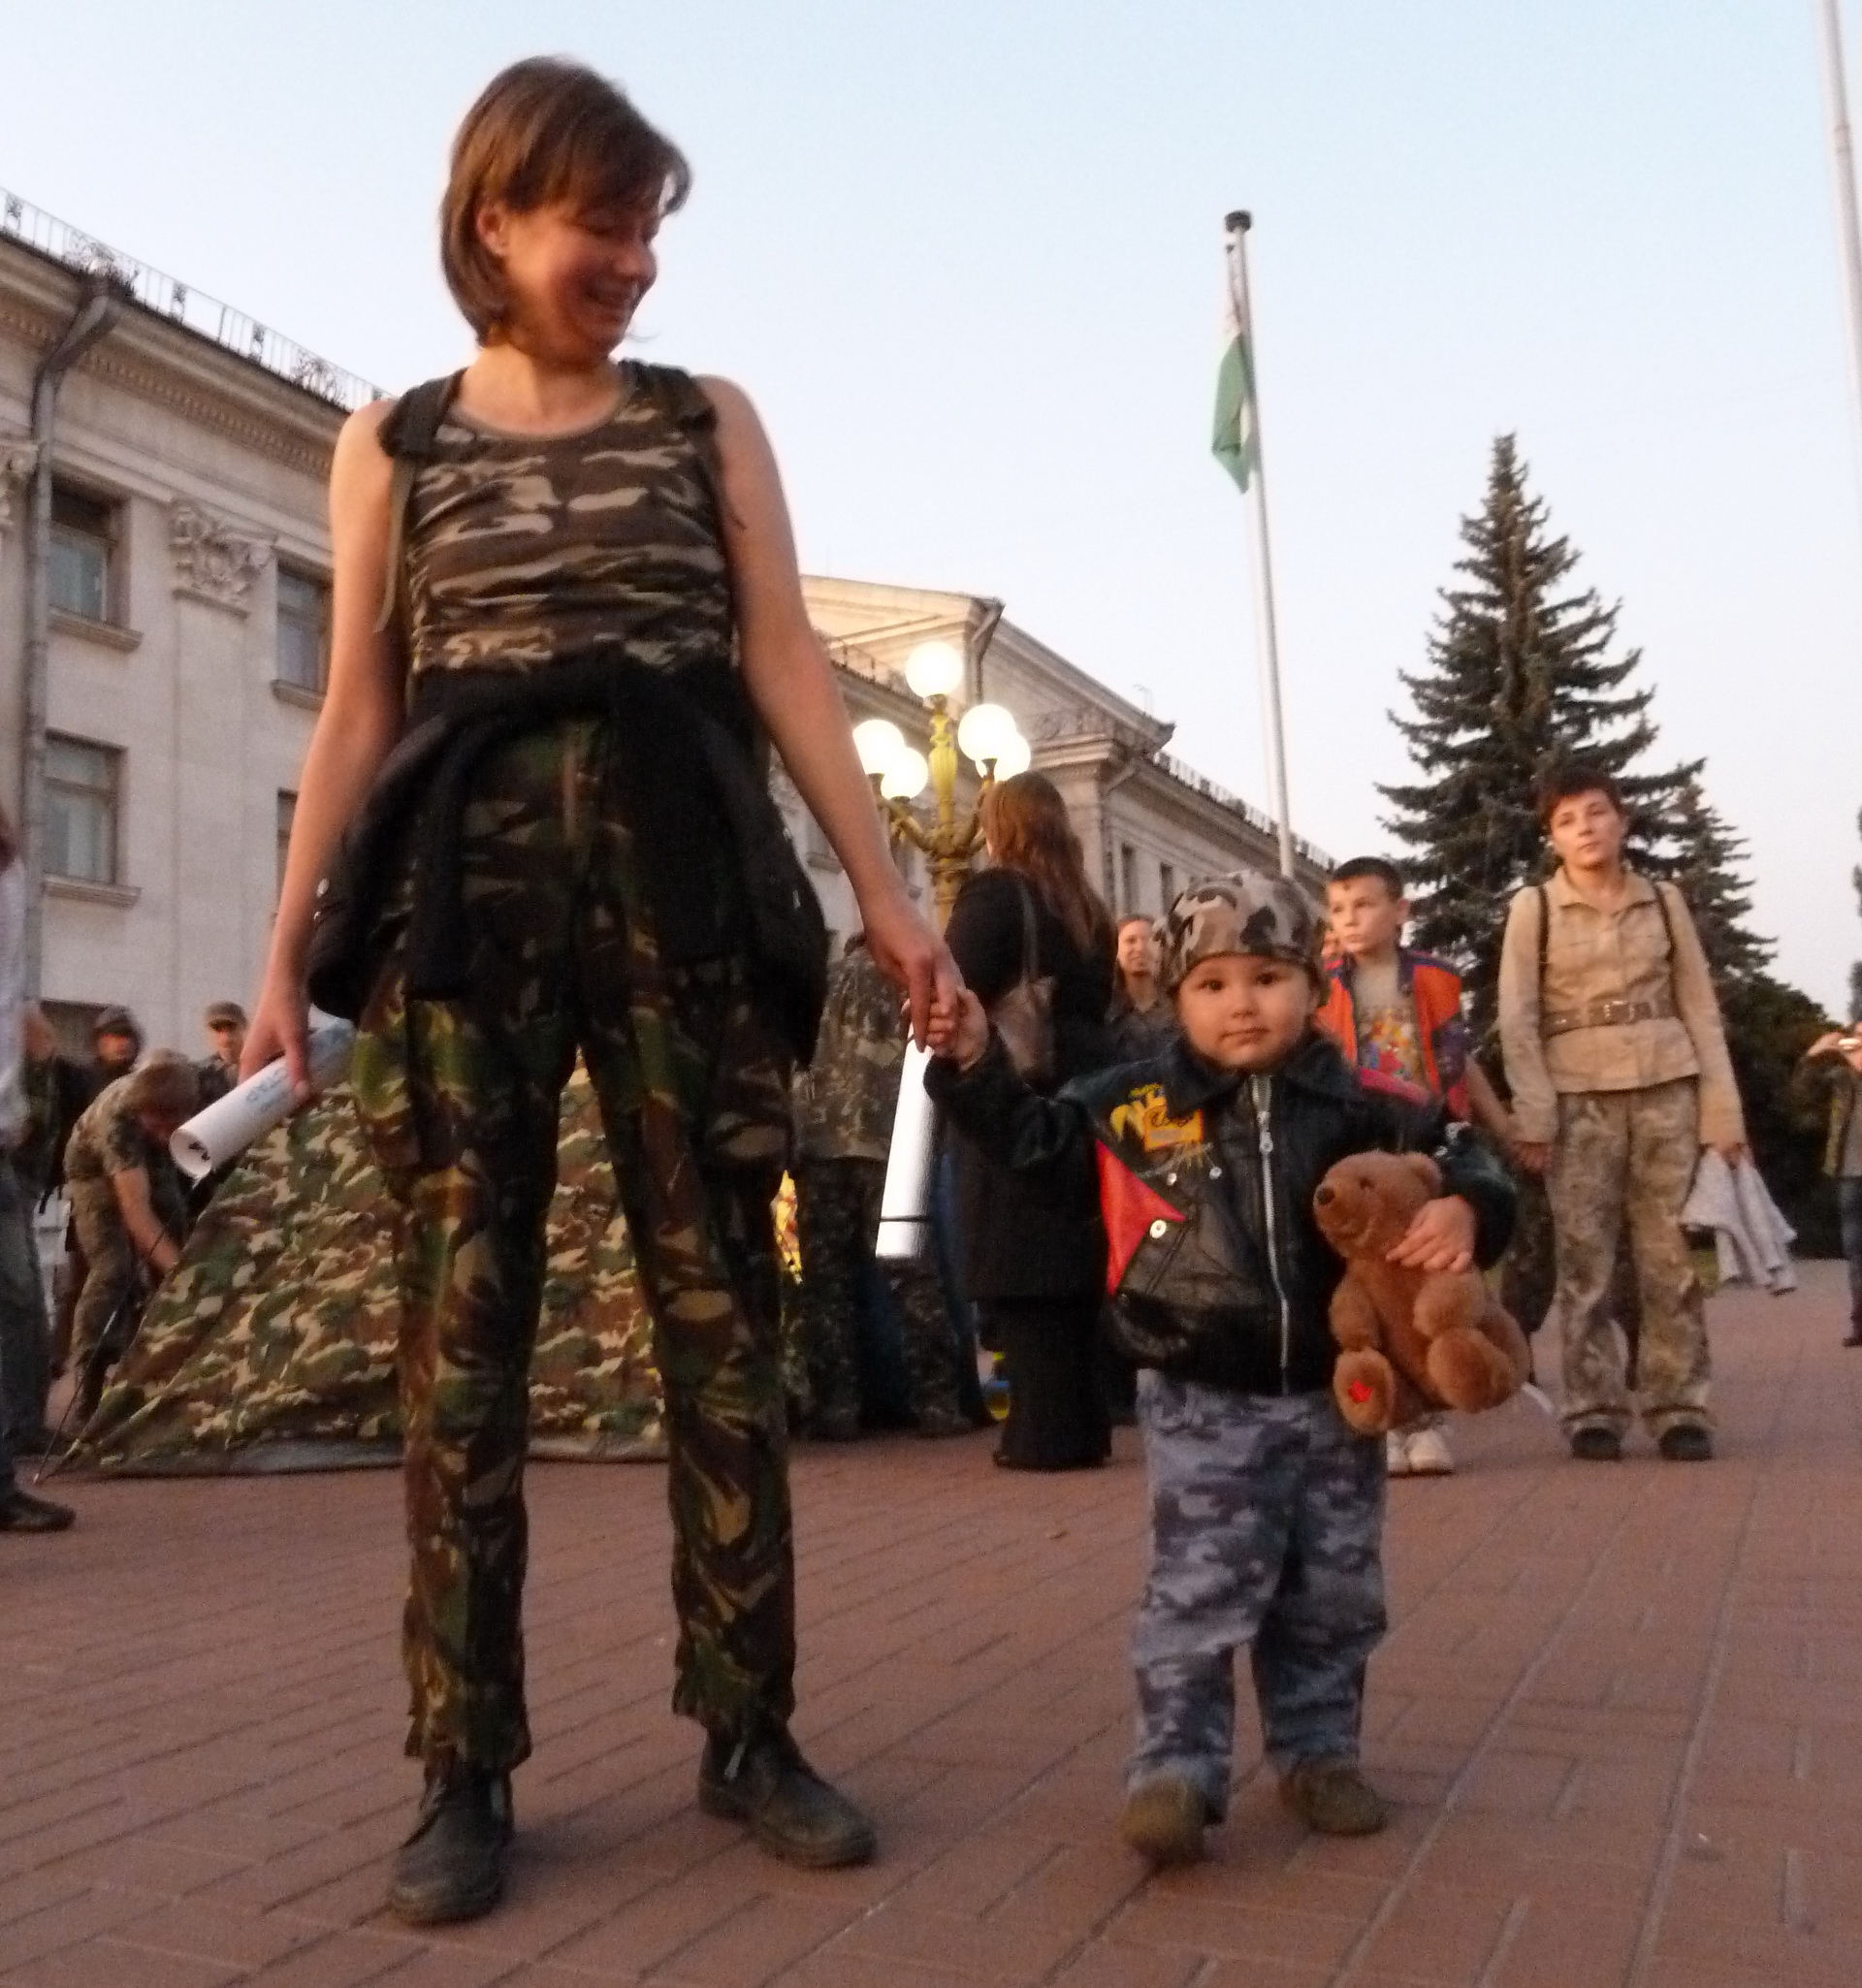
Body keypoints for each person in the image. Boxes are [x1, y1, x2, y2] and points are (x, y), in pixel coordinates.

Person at [239, 59, 956, 1927]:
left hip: (684, 891)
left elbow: (783, 659)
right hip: (461, 916)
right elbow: (360, 704)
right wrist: (283, 955)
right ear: (496, 220)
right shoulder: (392, 442)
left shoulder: (705, 420)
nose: (633, 261)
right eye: (601, 224)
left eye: (650, 230)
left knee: (722, 1316)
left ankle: (750, 1729)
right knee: (459, 1338)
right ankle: (461, 1765)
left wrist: (888, 902)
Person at [923, 870, 1513, 1865]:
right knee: (1198, 1593)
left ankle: (1319, 1754)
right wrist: (975, 1057)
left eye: (1267, 978)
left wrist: (1468, 1207)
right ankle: (1176, 1770)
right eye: (1212, 984)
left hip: (1333, 1400)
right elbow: (1033, 1144)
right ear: (1177, 994)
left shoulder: (1366, 1101)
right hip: (1199, 1396)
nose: (1242, 1003)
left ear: (1312, 983)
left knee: (1331, 1594)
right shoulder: (1133, 1104)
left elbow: (1463, 1154)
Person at [1497, 763, 1746, 1463]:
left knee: (1672, 1260)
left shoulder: (1663, 901)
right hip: (1578, 1099)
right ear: (1552, 838)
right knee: (1586, 1263)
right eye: (1567, 820)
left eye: (1597, 812)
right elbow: (1517, 1018)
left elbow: (1700, 1007)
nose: (1585, 829)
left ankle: (1679, 1406)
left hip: (1667, 1088)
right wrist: (1535, 1114)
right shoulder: (1535, 908)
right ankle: (1594, 1409)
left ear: (1622, 820)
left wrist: (1723, 1114)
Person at [1318, 856, 1517, 1479]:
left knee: (1423, 1271)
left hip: (1424, 1139)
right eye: (1339, 909)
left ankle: (1428, 1414)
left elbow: (1459, 1062)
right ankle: (1389, 1413)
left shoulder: (1432, 980)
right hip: (1356, 1141)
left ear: (1400, 911)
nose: (1350, 919)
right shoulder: (1323, 985)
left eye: (1364, 905)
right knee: (1367, 1281)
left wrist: (1498, 1125)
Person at [944, 772, 1116, 1471]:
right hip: (1084, 1091)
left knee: (1018, 1256)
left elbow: (955, 985)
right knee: (1072, 1259)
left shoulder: (996, 895)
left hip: (1015, 1091)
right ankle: (1085, 1424)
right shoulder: (1089, 909)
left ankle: (1041, 1434)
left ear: (1000, 826)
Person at [790, 936, 969, 1438]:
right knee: (913, 1278)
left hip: (821, 1144)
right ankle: (938, 1404)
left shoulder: (821, 982)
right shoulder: (910, 983)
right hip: (894, 1143)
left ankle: (837, 1409)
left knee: (828, 1285)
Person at [0, 805, 72, 1530]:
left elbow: (11, 1005)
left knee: (19, 1300)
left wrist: (16, 1103)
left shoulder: (11, 877)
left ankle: (11, 1452)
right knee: (15, 1297)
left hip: (5, 1136)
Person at [62, 1050, 198, 1423]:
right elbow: (137, 1214)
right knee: (114, 1267)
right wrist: (180, 1271)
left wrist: (176, 1262)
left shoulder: (188, 1090)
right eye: (155, 1126)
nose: (162, 1134)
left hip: (150, 1158)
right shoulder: (118, 1122)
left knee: (176, 1224)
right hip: (92, 1172)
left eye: (167, 1127)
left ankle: (160, 1355)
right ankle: (90, 1376)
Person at [47, 1003, 144, 1382]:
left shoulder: (139, 1084)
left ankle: (114, 1357)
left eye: (127, 1036)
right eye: (113, 1036)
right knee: (81, 1277)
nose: (121, 1044)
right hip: (90, 1192)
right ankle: (63, 1358)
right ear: (99, 1041)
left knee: (124, 1278)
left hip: (131, 1188)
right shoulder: (81, 1078)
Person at [1793, 1026, 1862, 1347]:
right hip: (1850, 1173)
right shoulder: (1840, 1077)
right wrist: (1815, 1053)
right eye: (1855, 1036)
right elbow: (1801, 1094)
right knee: (1855, 1252)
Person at [1109, 915, 1173, 1060]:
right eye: (1131, 941)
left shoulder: (1177, 1007)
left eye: (1149, 940)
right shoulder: (1105, 1008)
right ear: (1116, 950)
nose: (1140, 948)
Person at [196, 1001, 248, 1106]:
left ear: (245, 1027)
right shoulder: (200, 1076)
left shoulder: (265, 1067)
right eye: (218, 1030)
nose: (226, 1039)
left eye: (231, 1029)